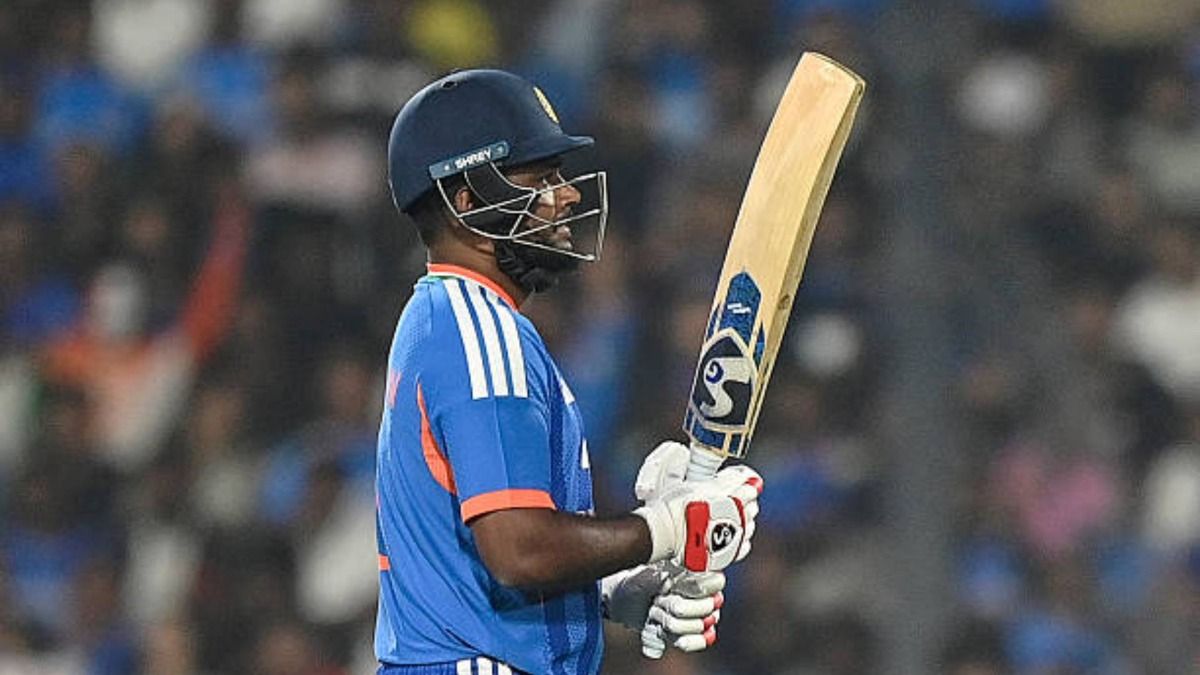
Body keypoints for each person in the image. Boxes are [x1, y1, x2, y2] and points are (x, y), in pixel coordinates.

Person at [374, 68, 764, 675]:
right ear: (465, 201)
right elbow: (519, 550)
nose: (568, 194)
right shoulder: (478, 330)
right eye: (540, 178)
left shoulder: (450, 320)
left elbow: (478, 560)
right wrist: (667, 527)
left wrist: (612, 591)